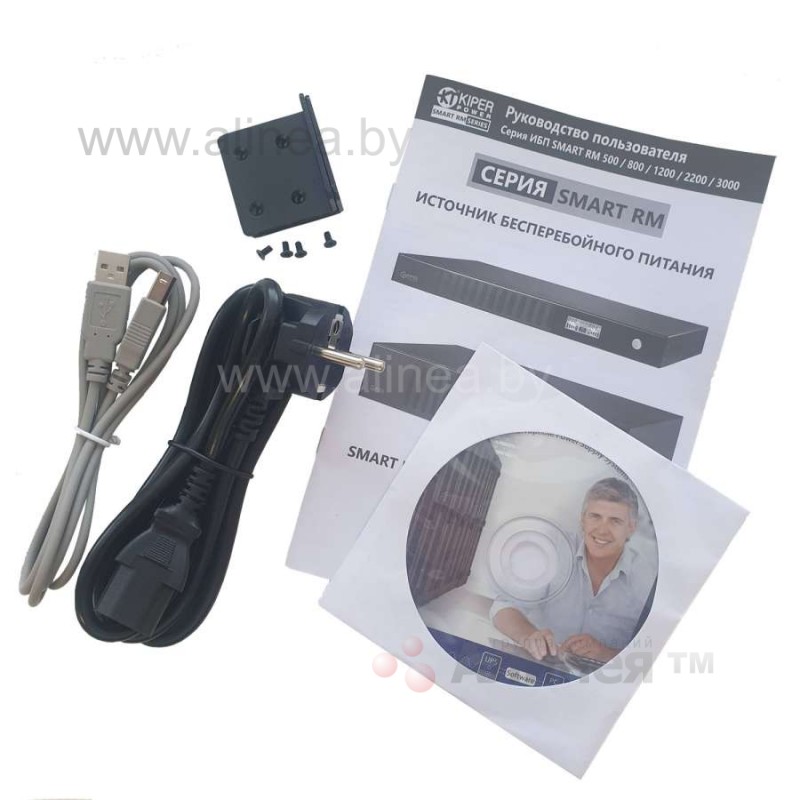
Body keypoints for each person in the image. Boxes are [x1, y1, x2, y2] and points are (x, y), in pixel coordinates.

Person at [491, 477, 655, 664]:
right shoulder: (554, 548)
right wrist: (529, 636)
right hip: (537, 665)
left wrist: (606, 653)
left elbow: (655, 650)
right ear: (582, 520)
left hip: (605, 678)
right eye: (595, 516)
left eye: (615, 521)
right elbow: (503, 606)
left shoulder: (648, 579)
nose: (602, 530)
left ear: (631, 528)